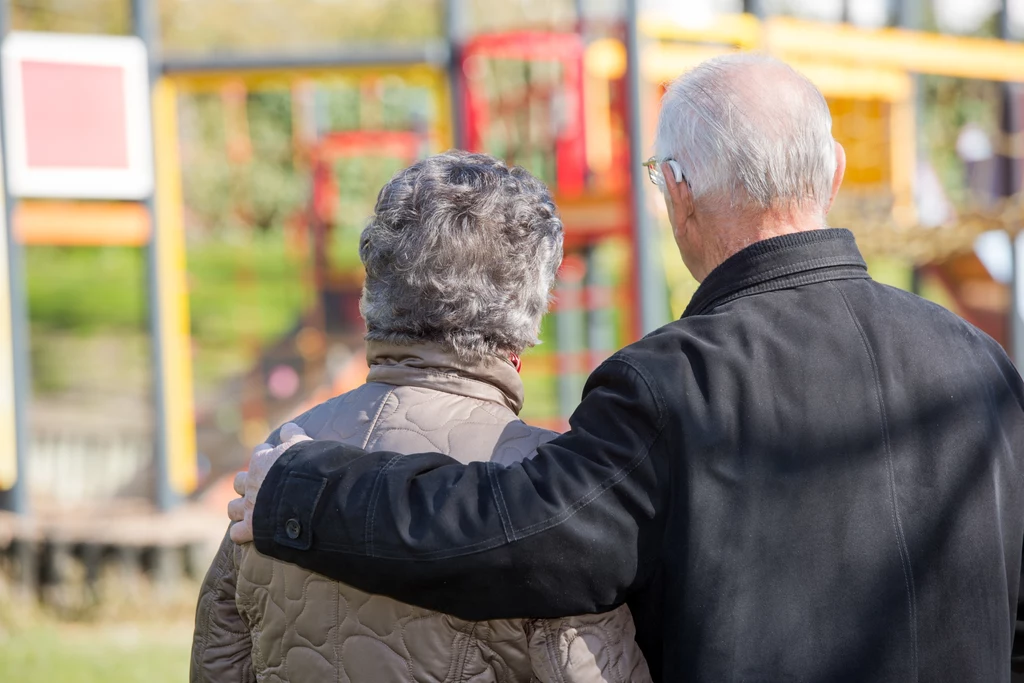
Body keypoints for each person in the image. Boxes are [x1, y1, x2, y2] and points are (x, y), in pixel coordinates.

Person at [230, 55, 1024, 682]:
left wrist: (299, 489)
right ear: (836, 171)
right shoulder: (983, 368)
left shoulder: (673, 384)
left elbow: (507, 534)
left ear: (677, 193)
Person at [190, 151, 652, 683]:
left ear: (374, 288)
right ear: (533, 303)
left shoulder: (282, 457)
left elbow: (220, 654)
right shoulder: (541, 483)